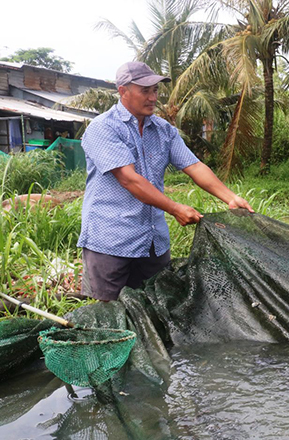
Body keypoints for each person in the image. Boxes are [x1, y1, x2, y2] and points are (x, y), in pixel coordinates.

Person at [78, 61, 254, 301]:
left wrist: (231, 197)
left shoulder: (163, 130)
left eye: (155, 91)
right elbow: (129, 180)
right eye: (145, 90)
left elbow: (194, 166)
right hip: (111, 240)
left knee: (157, 307)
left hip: (153, 242)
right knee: (109, 314)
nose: (153, 97)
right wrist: (175, 208)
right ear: (123, 91)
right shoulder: (103, 128)